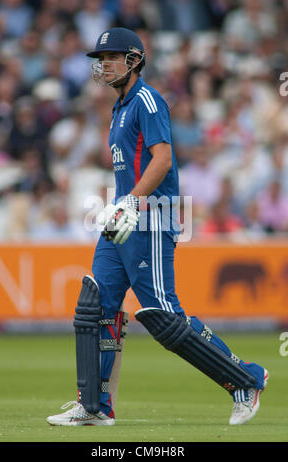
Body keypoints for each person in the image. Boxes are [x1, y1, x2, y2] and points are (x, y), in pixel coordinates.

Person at [47, 27, 268, 427]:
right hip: (123, 219)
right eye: (100, 59)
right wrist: (119, 207)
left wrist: (131, 202)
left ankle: (246, 379)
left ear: (134, 60)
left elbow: (162, 160)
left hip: (150, 217)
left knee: (161, 316)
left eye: (111, 57)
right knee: (95, 307)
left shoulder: (147, 100)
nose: (103, 65)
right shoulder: (118, 108)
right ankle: (95, 406)